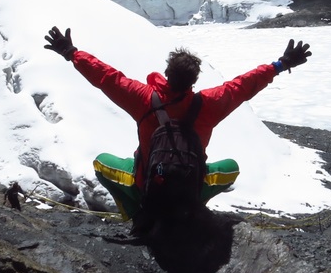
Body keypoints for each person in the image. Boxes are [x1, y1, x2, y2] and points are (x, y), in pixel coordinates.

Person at [43, 26, 312, 224]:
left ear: (167, 74)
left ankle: (135, 213)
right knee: (230, 170)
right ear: (194, 81)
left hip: (146, 182)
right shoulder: (209, 103)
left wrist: (71, 53)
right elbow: (243, 86)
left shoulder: (144, 98)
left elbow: (108, 78)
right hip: (190, 186)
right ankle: (191, 205)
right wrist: (280, 64)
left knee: (102, 163)